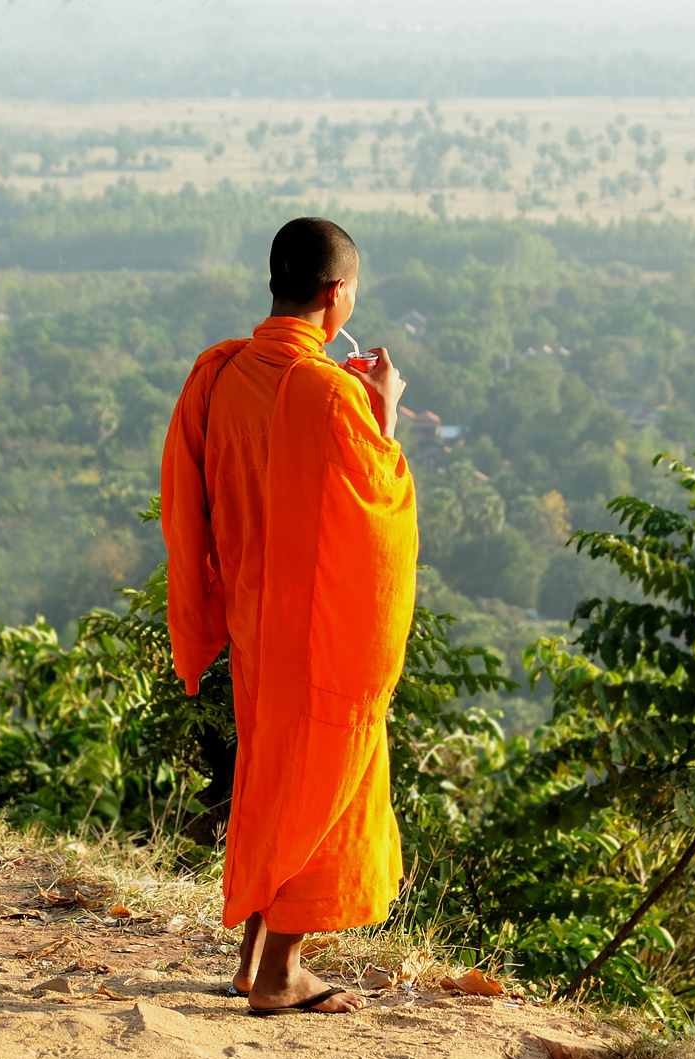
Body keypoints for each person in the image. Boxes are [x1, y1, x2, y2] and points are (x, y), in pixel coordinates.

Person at [161, 217, 416, 1015]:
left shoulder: (223, 373)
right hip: (313, 629)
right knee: (319, 782)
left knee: (274, 777)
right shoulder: (330, 391)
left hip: (252, 616)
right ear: (338, 292)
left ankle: (251, 960)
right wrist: (385, 412)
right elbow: (373, 516)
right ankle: (280, 976)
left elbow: (192, 502)